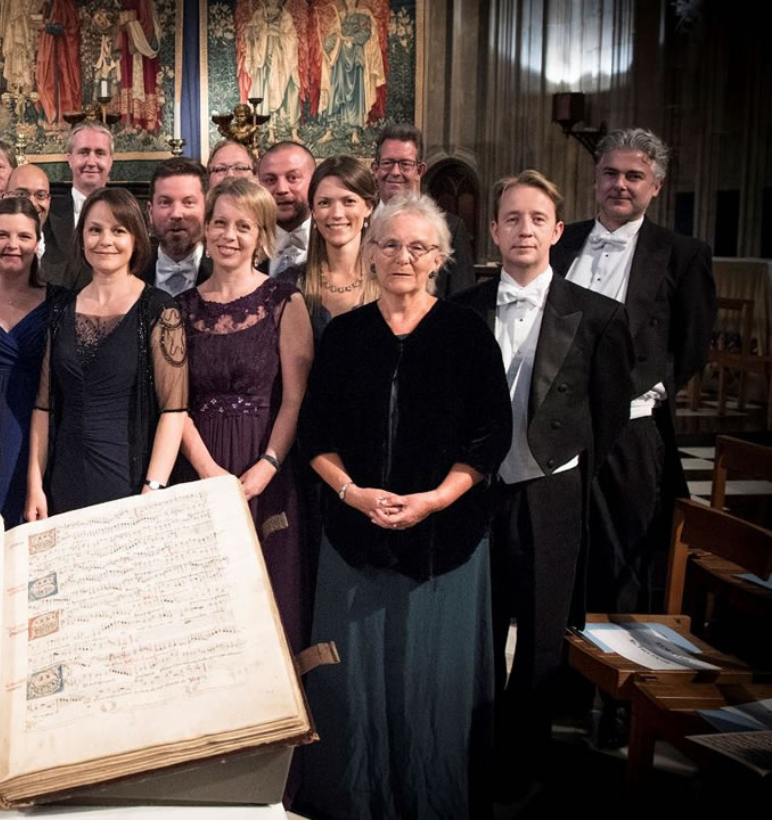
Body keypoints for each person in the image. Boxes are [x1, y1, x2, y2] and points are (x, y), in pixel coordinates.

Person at [296, 193, 512, 820]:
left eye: (418, 247)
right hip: (353, 536)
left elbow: (490, 437)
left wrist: (435, 501)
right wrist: (352, 493)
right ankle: (356, 802)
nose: (402, 256)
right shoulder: (345, 334)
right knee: (354, 689)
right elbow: (316, 436)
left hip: (445, 543)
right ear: (368, 252)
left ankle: (429, 801)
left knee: (429, 686)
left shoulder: (466, 332)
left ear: (439, 259)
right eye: (389, 243)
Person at [452, 171, 632, 795]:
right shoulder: (462, 310)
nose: (523, 229)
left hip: (549, 491)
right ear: (495, 230)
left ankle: (526, 765)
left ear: (556, 230)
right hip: (475, 491)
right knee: (479, 623)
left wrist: (559, 461)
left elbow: (607, 416)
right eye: (511, 218)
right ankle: (474, 752)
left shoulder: (599, 315)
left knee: (540, 632)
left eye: (536, 218)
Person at [550, 127, 716, 615]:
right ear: (596, 178)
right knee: (563, 544)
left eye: (633, 176)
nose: (620, 184)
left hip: (631, 427)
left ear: (655, 186)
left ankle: (615, 672)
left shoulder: (683, 254)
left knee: (623, 548)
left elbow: (691, 343)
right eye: (610, 173)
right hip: (557, 423)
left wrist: (652, 390)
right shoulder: (561, 240)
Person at [176, 177, 312, 651]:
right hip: (198, 467)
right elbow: (174, 405)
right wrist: (209, 471)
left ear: (262, 235)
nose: (228, 235)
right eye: (219, 223)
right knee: (206, 608)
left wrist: (266, 467)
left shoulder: (285, 302)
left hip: (268, 467)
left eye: (243, 226)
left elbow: (295, 399)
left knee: (268, 601)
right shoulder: (179, 309)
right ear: (205, 230)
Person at [25, 187, 187, 518]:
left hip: (129, 482)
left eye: (118, 230)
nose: (105, 240)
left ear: (136, 239)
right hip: (64, 480)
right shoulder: (60, 309)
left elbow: (174, 410)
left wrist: (154, 488)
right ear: (81, 237)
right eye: (95, 229)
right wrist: (35, 484)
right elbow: (44, 406)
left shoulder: (159, 309)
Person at [0, 197, 52, 527]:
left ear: (37, 243)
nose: (13, 245)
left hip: (40, 436)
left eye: (24, 236)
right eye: (2, 235)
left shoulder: (61, 303)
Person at [372, 123, 475, 296]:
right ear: (375, 169)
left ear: (419, 170)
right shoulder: (359, 224)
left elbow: (462, 301)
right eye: (388, 163)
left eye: (405, 164)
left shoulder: (451, 228)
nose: (395, 172)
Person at [297, 155, 380, 344]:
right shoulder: (294, 283)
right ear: (313, 212)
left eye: (348, 201)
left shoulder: (389, 281)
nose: (336, 214)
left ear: (369, 207)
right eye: (324, 203)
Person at [46, 121, 114, 271]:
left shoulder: (127, 214)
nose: (91, 162)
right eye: (83, 152)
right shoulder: (48, 213)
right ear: (70, 159)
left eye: (100, 153)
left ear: (110, 161)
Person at [143, 158, 212, 296]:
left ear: (207, 209)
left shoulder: (224, 273)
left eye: (188, 202)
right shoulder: (131, 272)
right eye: (165, 202)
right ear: (150, 212)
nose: (176, 214)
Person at [5, 163, 72, 287]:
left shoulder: (69, 259)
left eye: (40, 195)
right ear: (5, 198)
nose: (32, 203)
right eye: (21, 194)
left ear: (49, 201)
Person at [257, 141, 316, 278]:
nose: (281, 189)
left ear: (315, 181)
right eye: (270, 180)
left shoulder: (333, 241)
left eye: (293, 178)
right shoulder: (247, 244)